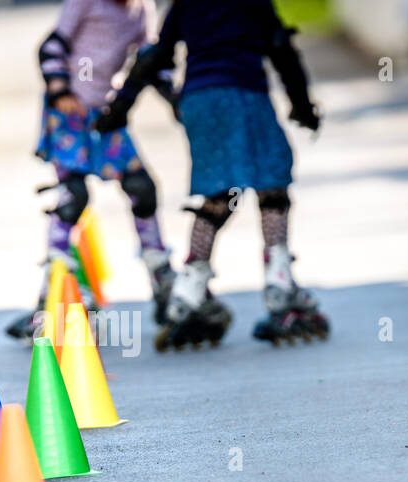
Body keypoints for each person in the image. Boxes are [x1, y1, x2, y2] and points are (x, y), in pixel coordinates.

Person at [95, 0, 330, 349]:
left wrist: (119, 108)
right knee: (272, 183)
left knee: (218, 195)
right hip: (244, 93)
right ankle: (280, 282)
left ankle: (187, 292)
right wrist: (303, 106)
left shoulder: (186, 6)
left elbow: (154, 55)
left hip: (200, 100)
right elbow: (281, 49)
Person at [6, 0, 176, 342]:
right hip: (69, 111)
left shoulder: (141, 9)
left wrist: (177, 97)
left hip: (106, 115)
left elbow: (151, 60)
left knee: (142, 189)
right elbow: (53, 46)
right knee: (73, 197)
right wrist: (60, 89)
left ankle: (162, 279)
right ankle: (49, 296)